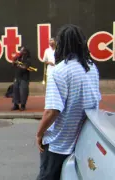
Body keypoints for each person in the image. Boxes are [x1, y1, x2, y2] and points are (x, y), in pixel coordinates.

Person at [35, 24, 101, 180]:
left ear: (61, 44)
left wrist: (39, 133)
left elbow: (52, 111)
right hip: (83, 140)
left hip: (59, 143)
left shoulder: (59, 71)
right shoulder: (91, 68)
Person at [11, 47, 31, 111]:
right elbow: (13, 65)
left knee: (23, 92)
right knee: (15, 91)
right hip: (17, 77)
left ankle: (23, 105)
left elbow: (25, 67)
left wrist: (19, 65)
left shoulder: (28, 59)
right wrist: (14, 60)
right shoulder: (18, 58)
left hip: (24, 78)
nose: (21, 51)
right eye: (21, 50)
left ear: (25, 52)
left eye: (22, 50)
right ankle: (15, 105)